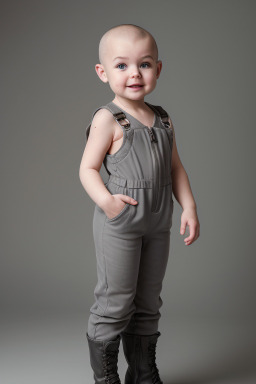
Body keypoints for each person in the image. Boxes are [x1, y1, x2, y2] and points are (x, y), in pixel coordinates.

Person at [79, 23, 200, 384]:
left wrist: (189, 207)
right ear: (102, 72)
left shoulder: (163, 119)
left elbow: (176, 168)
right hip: (121, 222)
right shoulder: (108, 119)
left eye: (144, 64)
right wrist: (107, 201)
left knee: (148, 301)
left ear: (157, 69)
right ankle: (106, 377)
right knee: (116, 300)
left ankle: (144, 373)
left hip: (158, 222)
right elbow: (86, 169)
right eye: (122, 66)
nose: (134, 73)